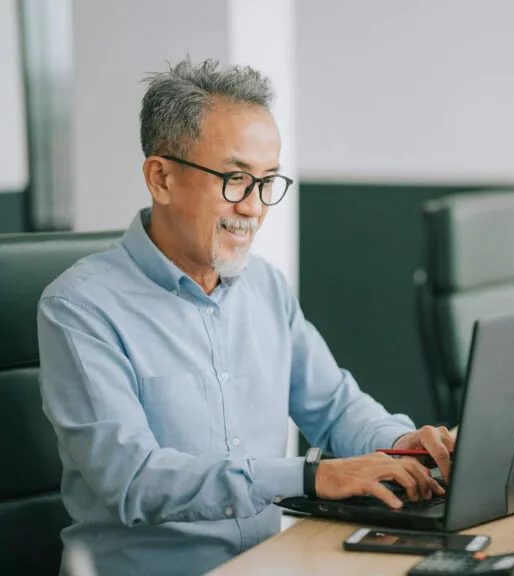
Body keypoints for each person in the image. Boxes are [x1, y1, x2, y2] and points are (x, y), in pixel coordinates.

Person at [38, 57, 454, 576]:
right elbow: (134, 480)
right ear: (160, 177)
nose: (255, 207)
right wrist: (310, 477)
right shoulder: (79, 307)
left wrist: (402, 445)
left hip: (269, 564)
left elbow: (336, 408)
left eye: (268, 182)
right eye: (235, 179)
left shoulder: (264, 286)